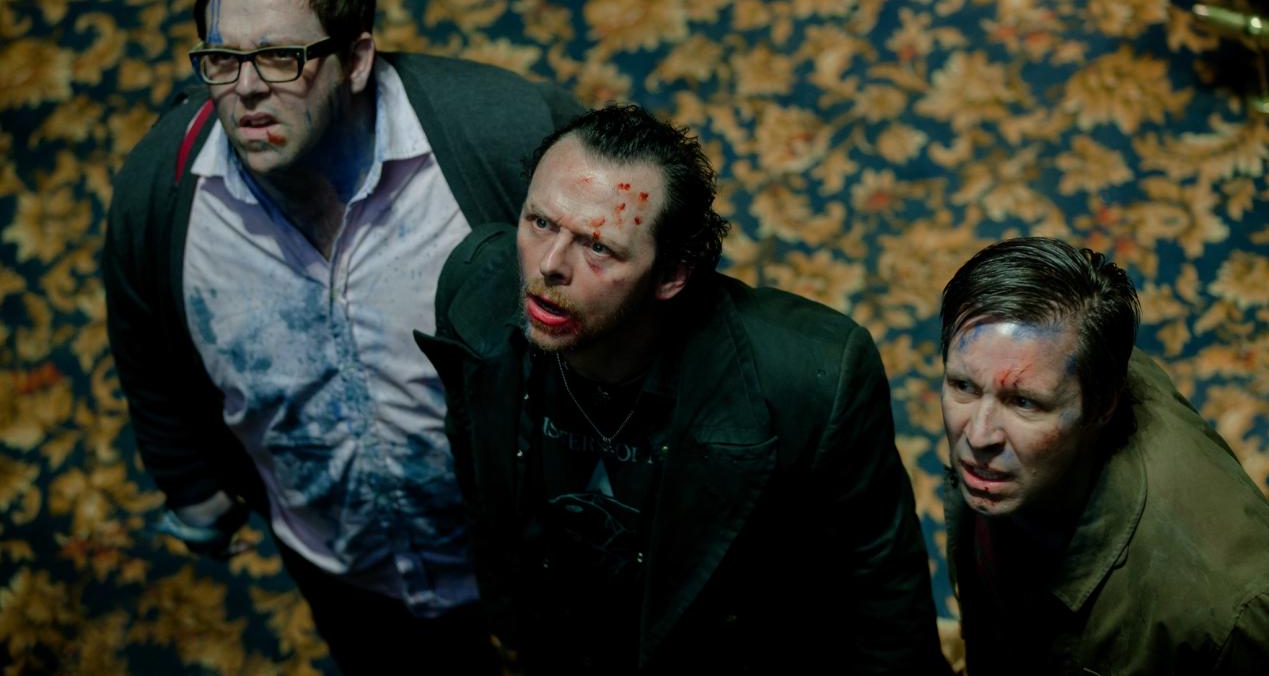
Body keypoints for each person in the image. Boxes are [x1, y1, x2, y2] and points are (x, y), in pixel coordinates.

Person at [103, 0, 582, 674]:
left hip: (532, 546)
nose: (247, 90)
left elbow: (634, 290)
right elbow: (145, 351)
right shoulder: (158, 194)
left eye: (281, 58)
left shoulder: (505, 135)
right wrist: (190, 487)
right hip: (339, 561)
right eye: (222, 60)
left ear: (357, 59)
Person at [414, 105, 949, 674]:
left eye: (598, 247)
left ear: (672, 273)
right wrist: (512, 629)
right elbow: (482, 489)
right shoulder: (474, 286)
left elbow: (882, 587)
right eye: (540, 222)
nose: (549, 266)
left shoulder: (812, 377)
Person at [939, 236, 1269, 675]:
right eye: (963, 385)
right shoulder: (1063, 363)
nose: (977, 436)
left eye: (1024, 403)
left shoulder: (1227, 611)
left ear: (1101, 406)